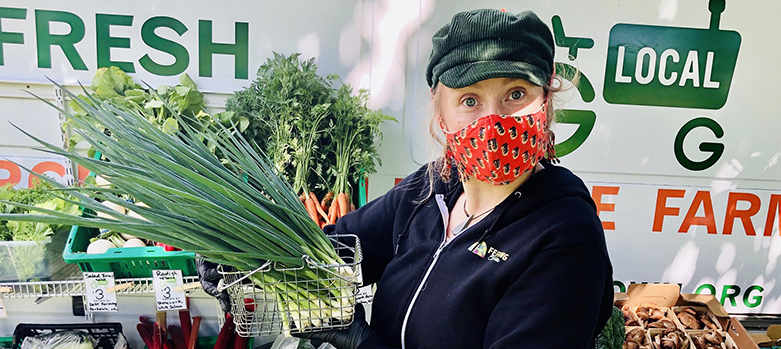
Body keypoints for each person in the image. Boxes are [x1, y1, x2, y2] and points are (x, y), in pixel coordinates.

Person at [200, 8, 613, 348]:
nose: (495, 121)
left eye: (516, 94)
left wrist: (364, 343)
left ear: (547, 98)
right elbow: (335, 252)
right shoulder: (433, 186)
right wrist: (252, 258)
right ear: (441, 111)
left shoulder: (564, 239)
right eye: (470, 100)